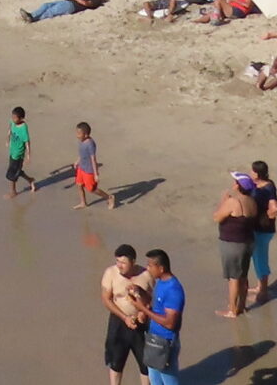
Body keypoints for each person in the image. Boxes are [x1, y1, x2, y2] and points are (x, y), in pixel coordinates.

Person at [100, 244, 150, 385]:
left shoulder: (145, 275)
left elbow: (150, 299)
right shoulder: (111, 273)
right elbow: (106, 299)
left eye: (123, 262)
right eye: (117, 261)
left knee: (146, 363)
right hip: (119, 322)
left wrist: (143, 313)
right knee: (116, 361)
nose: (119, 265)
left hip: (139, 324)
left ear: (133, 262)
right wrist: (124, 317)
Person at [214, 173, 258, 317]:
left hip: (233, 243)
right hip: (248, 242)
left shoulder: (233, 202)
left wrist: (223, 201)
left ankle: (232, 310)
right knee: (243, 275)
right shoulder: (252, 201)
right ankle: (242, 305)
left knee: (233, 278)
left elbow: (217, 217)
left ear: (238, 186)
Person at [139, 248, 184, 385]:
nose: (148, 269)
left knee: (169, 380)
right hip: (154, 338)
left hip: (166, 342)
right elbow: (157, 306)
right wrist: (140, 292)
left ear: (161, 268)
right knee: (155, 380)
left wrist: (142, 309)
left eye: (150, 265)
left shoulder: (173, 290)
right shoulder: (161, 283)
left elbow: (170, 323)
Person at [247, 161, 277, 305]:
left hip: (262, 229)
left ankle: (264, 291)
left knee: (260, 259)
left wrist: (266, 217)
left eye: (252, 171)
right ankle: (259, 286)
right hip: (256, 228)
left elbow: (275, 208)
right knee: (256, 257)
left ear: (256, 173)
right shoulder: (258, 185)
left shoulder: (268, 187)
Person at [75, 121, 114, 210]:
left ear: (85, 135)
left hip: (89, 170)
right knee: (79, 185)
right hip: (81, 167)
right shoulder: (81, 141)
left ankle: (109, 197)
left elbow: (93, 159)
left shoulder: (90, 144)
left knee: (92, 189)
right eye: (76, 132)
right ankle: (83, 203)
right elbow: (82, 153)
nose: (77, 135)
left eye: (79, 133)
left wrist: (96, 174)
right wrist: (77, 161)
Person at [19, 0, 108, 24]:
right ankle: (32, 15)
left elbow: (86, 3)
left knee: (50, 11)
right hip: (68, 3)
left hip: (71, 6)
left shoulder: (94, 0)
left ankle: (33, 18)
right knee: (46, 5)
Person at [6, 107, 36, 197]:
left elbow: (27, 142)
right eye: (12, 117)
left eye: (15, 118)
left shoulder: (23, 129)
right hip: (12, 151)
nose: (13, 119)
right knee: (16, 170)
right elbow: (9, 130)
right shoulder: (12, 122)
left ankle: (13, 192)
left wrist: (28, 155)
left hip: (19, 154)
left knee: (11, 173)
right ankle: (30, 180)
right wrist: (7, 140)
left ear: (21, 118)